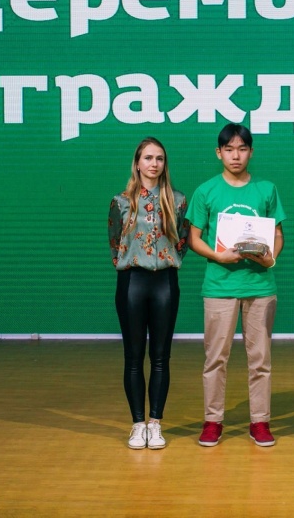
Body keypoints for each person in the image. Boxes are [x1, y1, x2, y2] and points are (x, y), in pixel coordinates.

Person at [186, 124, 286, 447]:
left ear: (251, 152)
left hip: (260, 286)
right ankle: (212, 421)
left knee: (260, 360)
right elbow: (193, 238)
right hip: (219, 286)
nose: (236, 155)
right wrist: (219, 256)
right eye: (229, 149)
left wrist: (270, 257)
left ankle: (260, 421)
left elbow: (278, 235)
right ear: (219, 153)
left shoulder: (266, 189)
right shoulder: (206, 191)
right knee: (215, 358)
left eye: (242, 149)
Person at [108, 137, 189, 450]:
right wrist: (133, 260)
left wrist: (165, 259)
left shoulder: (178, 200)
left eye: (159, 158)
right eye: (148, 158)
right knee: (133, 357)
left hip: (165, 283)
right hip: (132, 283)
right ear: (138, 163)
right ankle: (137, 424)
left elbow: (183, 241)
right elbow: (115, 243)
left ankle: (155, 424)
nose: (154, 164)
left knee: (160, 357)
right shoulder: (121, 202)